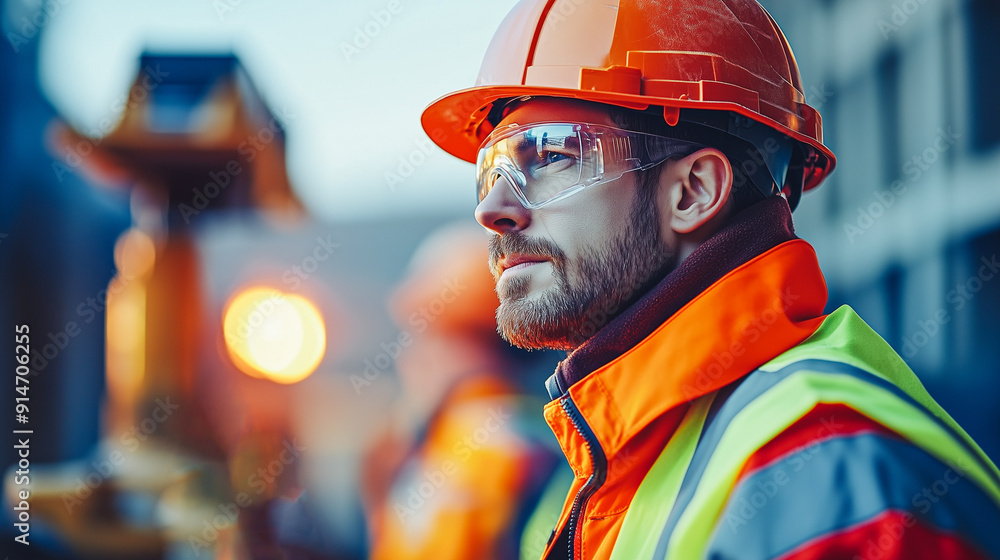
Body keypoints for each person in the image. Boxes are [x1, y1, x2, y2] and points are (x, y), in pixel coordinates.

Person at [418, 1, 1000, 559]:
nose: (492, 209)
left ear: (693, 191)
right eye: (493, 169)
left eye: (551, 155)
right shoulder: (637, 448)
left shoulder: (822, 470)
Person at [362, 222, 560, 560]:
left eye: (417, 333)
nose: (407, 357)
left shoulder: (473, 447)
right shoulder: (540, 429)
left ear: (445, 337)